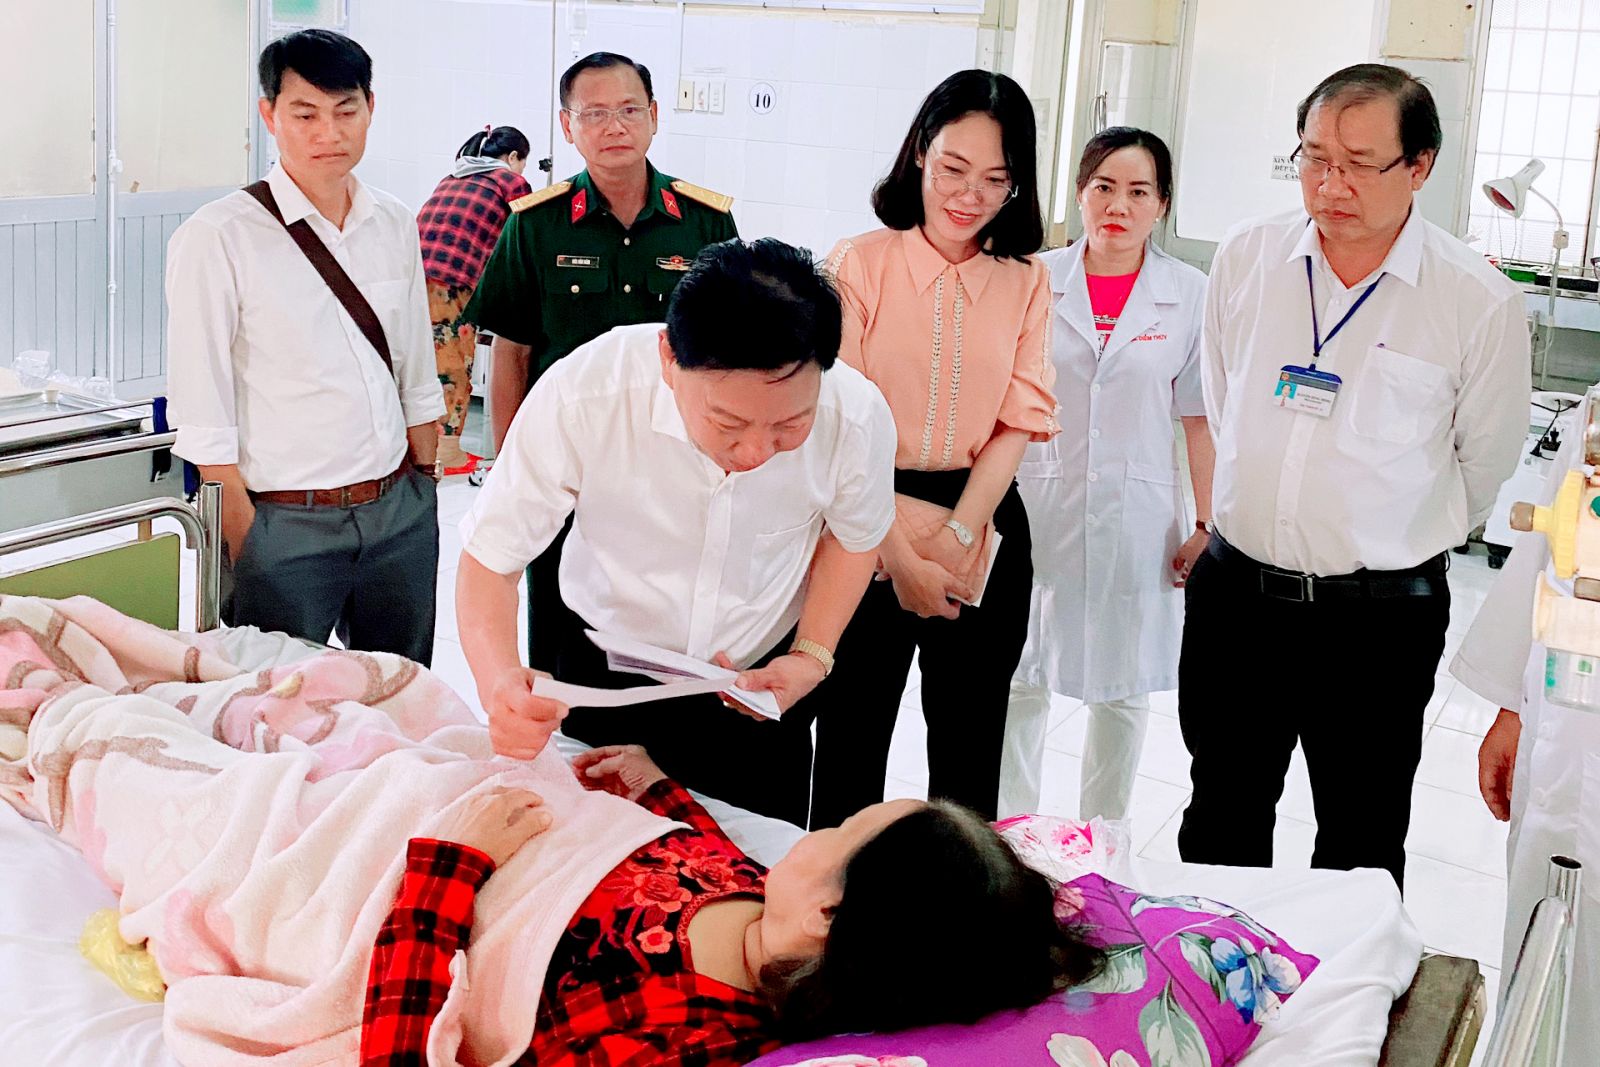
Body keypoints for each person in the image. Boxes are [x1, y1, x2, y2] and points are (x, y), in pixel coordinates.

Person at [1178, 63, 1529, 890]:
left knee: (1360, 842)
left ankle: (1346, 976)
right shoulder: (1248, 255)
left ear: (1420, 166)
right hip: (1237, 599)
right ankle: (1217, 972)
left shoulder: (1474, 301)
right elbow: (1226, 403)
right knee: (1221, 818)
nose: (1331, 185)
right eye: (1314, 158)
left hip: (1377, 621)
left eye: (1360, 164)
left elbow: (1483, 462)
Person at [454, 238, 898, 825]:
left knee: (756, 861)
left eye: (790, 424)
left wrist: (812, 654)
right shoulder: (588, 392)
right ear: (668, 357)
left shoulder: (855, 417)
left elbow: (853, 537)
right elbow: (491, 557)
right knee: (599, 857)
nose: (756, 452)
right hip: (604, 676)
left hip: (757, 686)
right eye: (728, 422)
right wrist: (499, 684)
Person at [365, 745, 1103, 1063]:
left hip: (408, 870)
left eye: (841, 828)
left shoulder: (673, 1038)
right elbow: (724, 868)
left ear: (828, 917)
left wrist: (449, 868)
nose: (816, 834)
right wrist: (659, 792)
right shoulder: (782, 925)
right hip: (529, 818)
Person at [807, 70, 1058, 829]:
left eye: (996, 179)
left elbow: (1018, 420)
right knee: (849, 741)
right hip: (863, 513)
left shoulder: (1027, 281)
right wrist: (899, 555)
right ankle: (834, 896)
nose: (969, 196)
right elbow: (836, 424)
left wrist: (957, 535)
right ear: (920, 152)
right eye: (953, 168)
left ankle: (961, 897)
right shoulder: (859, 263)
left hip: (981, 515)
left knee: (970, 751)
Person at [166, 29, 444, 665]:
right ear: (269, 116)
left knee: (402, 692)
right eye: (305, 114)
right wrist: (249, 540)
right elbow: (203, 417)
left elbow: (415, 371)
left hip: (397, 515)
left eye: (346, 111)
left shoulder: (393, 222)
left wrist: (422, 490)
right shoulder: (219, 237)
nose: (329, 133)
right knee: (279, 705)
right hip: (285, 526)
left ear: (370, 108)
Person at [463, 50, 741, 675]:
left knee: (671, 626)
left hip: (675, 462)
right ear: (568, 126)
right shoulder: (535, 225)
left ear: (654, 117)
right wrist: (511, 464)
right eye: (594, 114)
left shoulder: (705, 223)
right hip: (566, 463)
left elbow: (733, 353)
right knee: (561, 628)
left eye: (628, 110)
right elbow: (512, 350)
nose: (614, 127)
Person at [1000, 128, 1212, 823]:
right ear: (1080, 193)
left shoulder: (1189, 294)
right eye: (1104, 187)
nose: (1118, 206)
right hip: (1036, 498)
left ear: (1163, 204)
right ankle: (1011, 836)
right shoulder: (1032, 279)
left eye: (1138, 191)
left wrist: (1206, 522)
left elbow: (1198, 419)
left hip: (1137, 512)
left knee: (1122, 687)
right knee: (1019, 673)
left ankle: (1104, 841)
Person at [1453, 421, 1600, 1060]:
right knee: (1548, 951)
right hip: (1570, 723)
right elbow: (1552, 549)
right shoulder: (1597, 416)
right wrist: (1511, 708)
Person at [416, 125, 533, 474]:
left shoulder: (453, 177)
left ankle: (418, 447)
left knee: (420, 363)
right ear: (513, 157)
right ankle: (447, 452)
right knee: (452, 365)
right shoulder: (511, 182)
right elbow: (526, 236)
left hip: (411, 273)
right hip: (453, 279)